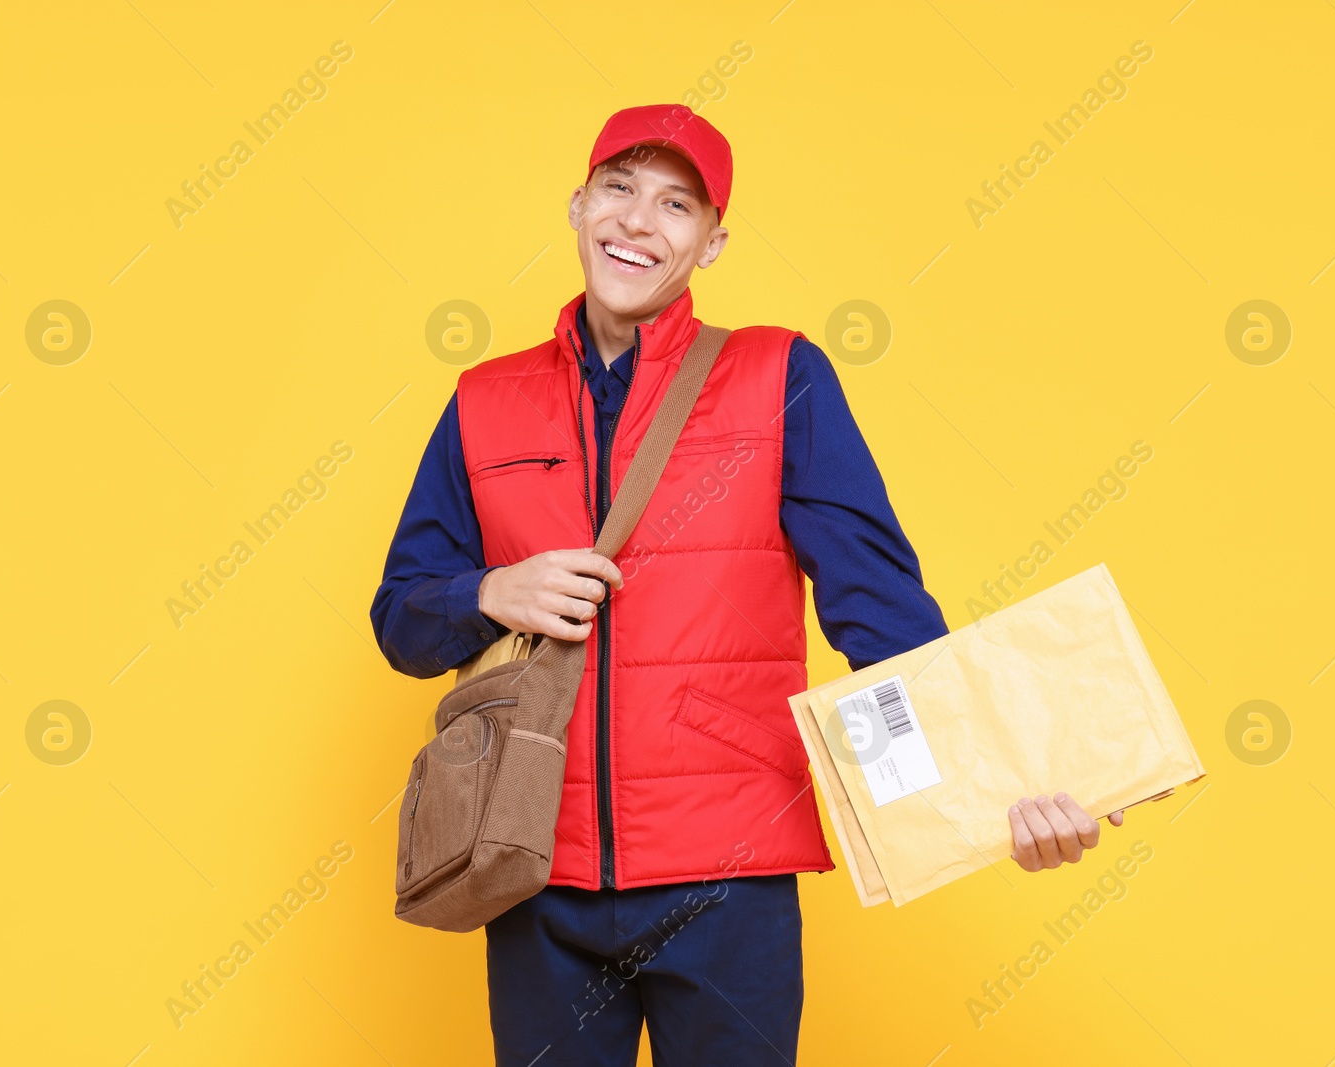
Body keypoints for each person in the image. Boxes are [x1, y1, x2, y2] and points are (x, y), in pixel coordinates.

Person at [370, 103, 1124, 1067]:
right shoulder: (485, 400)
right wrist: (489, 591)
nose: (640, 222)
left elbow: (879, 608)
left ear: (712, 242)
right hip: (533, 871)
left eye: (676, 205)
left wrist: (1008, 787)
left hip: (730, 880)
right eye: (620, 189)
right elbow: (401, 619)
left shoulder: (780, 376)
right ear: (577, 206)